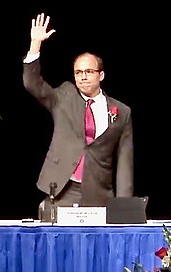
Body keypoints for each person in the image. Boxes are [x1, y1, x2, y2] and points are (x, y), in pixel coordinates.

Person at [22, 13, 134, 220]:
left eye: (89, 71)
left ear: (101, 75)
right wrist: (35, 45)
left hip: (99, 193)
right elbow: (33, 84)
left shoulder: (122, 112)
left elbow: (125, 163)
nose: (82, 76)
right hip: (61, 189)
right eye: (78, 72)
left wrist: (124, 207)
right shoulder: (64, 96)